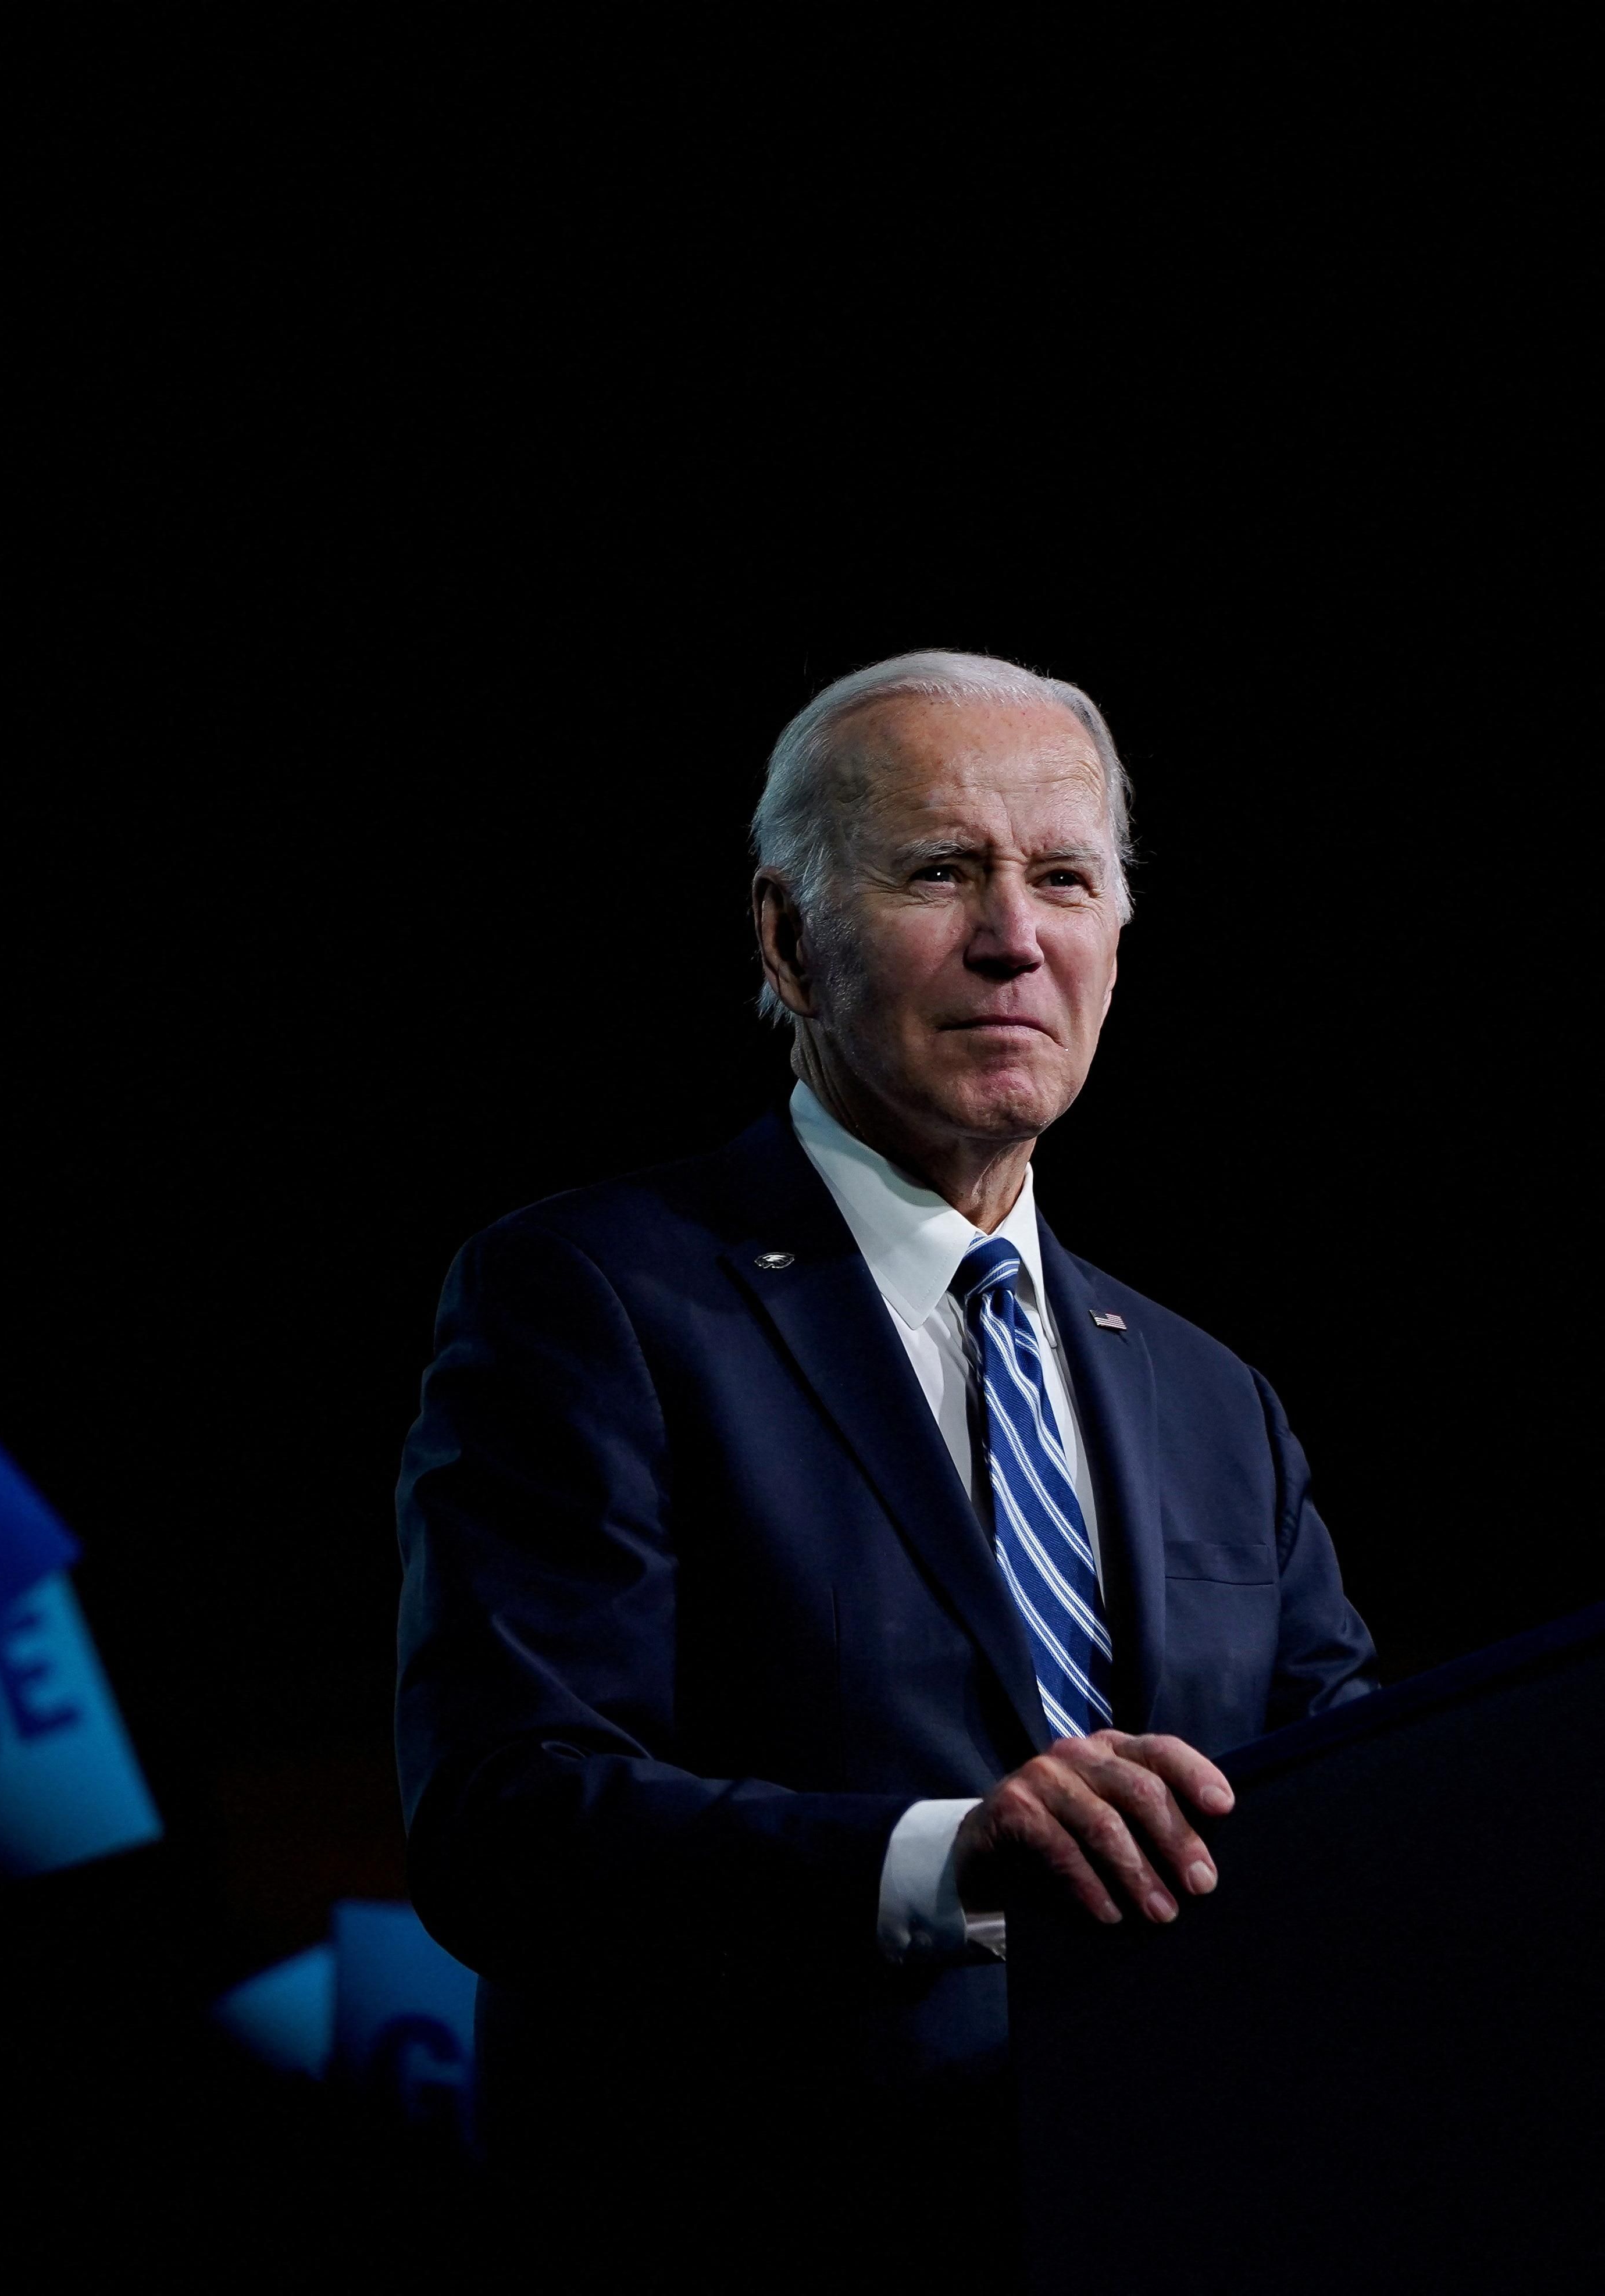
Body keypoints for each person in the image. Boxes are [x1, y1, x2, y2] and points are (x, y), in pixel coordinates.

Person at [393, 651, 1378, 2271]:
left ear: (1117, 942)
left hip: (1179, 2215)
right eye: (940, 870)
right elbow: (510, 1820)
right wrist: (943, 1858)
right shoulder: (590, 1297)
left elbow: (1346, 1811)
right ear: (787, 940)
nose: (1013, 936)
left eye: (1062, 876)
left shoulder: (1216, 1400)